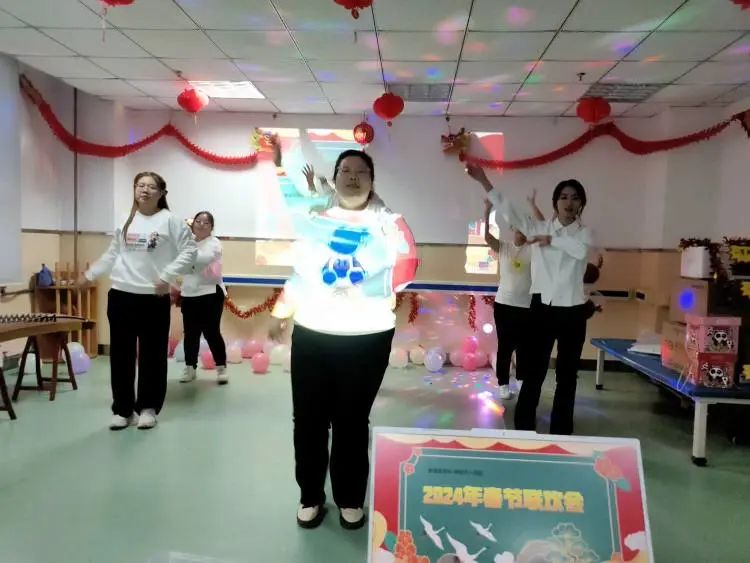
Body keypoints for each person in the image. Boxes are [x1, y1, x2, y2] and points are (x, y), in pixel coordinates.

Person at [270, 149, 418, 531]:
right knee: (309, 420)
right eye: (345, 170)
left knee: (352, 421)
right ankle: (310, 496)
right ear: (334, 178)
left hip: (366, 337)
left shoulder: (389, 224)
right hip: (314, 333)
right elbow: (301, 271)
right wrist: (282, 310)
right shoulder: (316, 220)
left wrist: (363, 287)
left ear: (372, 180)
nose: (352, 176)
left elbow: (407, 266)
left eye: (361, 171)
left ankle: (350, 498)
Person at [467, 165, 592, 435]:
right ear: (555, 202)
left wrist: (552, 240)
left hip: (573, 313)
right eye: (564, 197)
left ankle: (561, 431)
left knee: (567, 375)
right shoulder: (538, 227)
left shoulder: (584, 233)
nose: (569, 203)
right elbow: (509, 209)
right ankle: (524, 429)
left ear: (581, 204)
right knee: (534, 371)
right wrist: (484, 181)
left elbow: (580, 252)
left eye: (575, 198)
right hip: (542, 310)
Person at [82, 172, 196, 430]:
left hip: (153, 298)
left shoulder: (170, 220)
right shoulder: (126, 218)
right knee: (121, 355)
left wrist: (167, 276)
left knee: (152, 355)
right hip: (121, 295)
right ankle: (123, 410)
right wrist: (90, 275)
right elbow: (113, 253)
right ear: (134, 189)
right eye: (140, 185)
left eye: (151, 186)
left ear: (161, 193)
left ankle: (148, 408)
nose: (144, 190)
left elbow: (190, 251)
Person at [483, 199, 531, 400]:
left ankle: (521, 379)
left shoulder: (534, 250)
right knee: (505, 346)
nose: (521, 232)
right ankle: (503, 383)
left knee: (524, 347)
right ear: (512, 228)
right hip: (504, 305)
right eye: (518, 227)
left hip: (526, 306)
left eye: (525, 228)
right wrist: (487, 211)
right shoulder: (504, 247)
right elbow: (487, 237)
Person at [179, 211, 228, 385]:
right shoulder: (187, 242)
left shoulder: (214, 243)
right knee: (190, 334)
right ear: (193, 224)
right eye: (198, 221)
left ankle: (221, 368)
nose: (201, 225)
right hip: (189, 294)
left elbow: (202, 259)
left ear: (211, 227)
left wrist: (187, 257)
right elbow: (180, 265)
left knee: (211, 332)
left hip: (210, 293)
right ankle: (190, 368)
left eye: (206, 223)